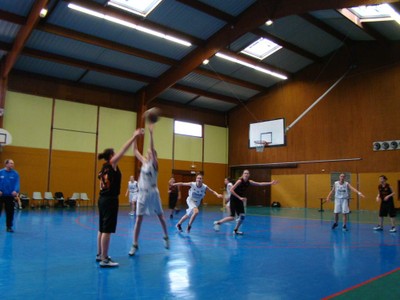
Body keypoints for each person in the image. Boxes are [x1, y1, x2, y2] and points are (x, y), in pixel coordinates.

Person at [96, 129, 143, 268]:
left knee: (101, 228)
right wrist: (134, 137)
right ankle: (105, 259)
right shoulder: (111, 164)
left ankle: (100, 254)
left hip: (102, 199)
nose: (117, 154)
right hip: (110, 200)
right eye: (114, 153)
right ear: (111, 156)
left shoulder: (103, 167)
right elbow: (123, 150)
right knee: (107, 230)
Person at [129, 124, 169, 256]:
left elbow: (152, 147)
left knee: (161, 217)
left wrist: (151, 134)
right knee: (138, 219)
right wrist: (135, 137)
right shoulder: (145, 162)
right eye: (148, 152)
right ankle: (135, 244)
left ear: (154, 156)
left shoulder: (155, 164)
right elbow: (135, 151)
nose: (148, 153)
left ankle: (166, 237)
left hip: (153, 193)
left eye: (150, 152)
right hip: (142, 194)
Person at [213, 170, 278, 235]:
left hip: (239, 199)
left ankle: (235, 230)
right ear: (243, 174)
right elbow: (231, 190)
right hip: (234, 199)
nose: (246, 174)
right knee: (232, 217)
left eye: (247, 173)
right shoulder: (239, 181)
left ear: (249, 175)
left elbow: (259, 184)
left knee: (242, 216)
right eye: (245, 173)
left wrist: (270, 183)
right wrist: (239, 197)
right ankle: (218, 223)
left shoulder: (249, 182)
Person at [0, 159, 20, 232]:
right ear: (6, 164)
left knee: (10, 212)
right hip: (1, 195)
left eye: (13, 163)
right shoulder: (1, 172)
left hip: (9, 196)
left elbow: (17, 183)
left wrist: (16, 190)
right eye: (11, 163)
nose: (12, 165)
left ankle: (9, 227)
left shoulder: (15, 174)